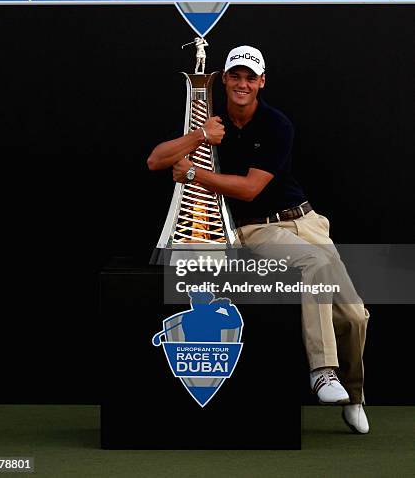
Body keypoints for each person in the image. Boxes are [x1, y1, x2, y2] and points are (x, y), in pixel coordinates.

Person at [147, 45, 370, 435]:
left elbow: (250, 187)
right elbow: (156, 160)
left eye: (250, 77)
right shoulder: (211, 123)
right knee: (312, 265)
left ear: (261, 82)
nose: (242, 84)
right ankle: (323, 371)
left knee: (354, 316)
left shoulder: (277, 124)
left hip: (308, 222)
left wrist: (194, 175)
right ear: (224, 79)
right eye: (235, 76)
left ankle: (353, 398)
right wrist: (200, 135)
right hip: (258, 229)